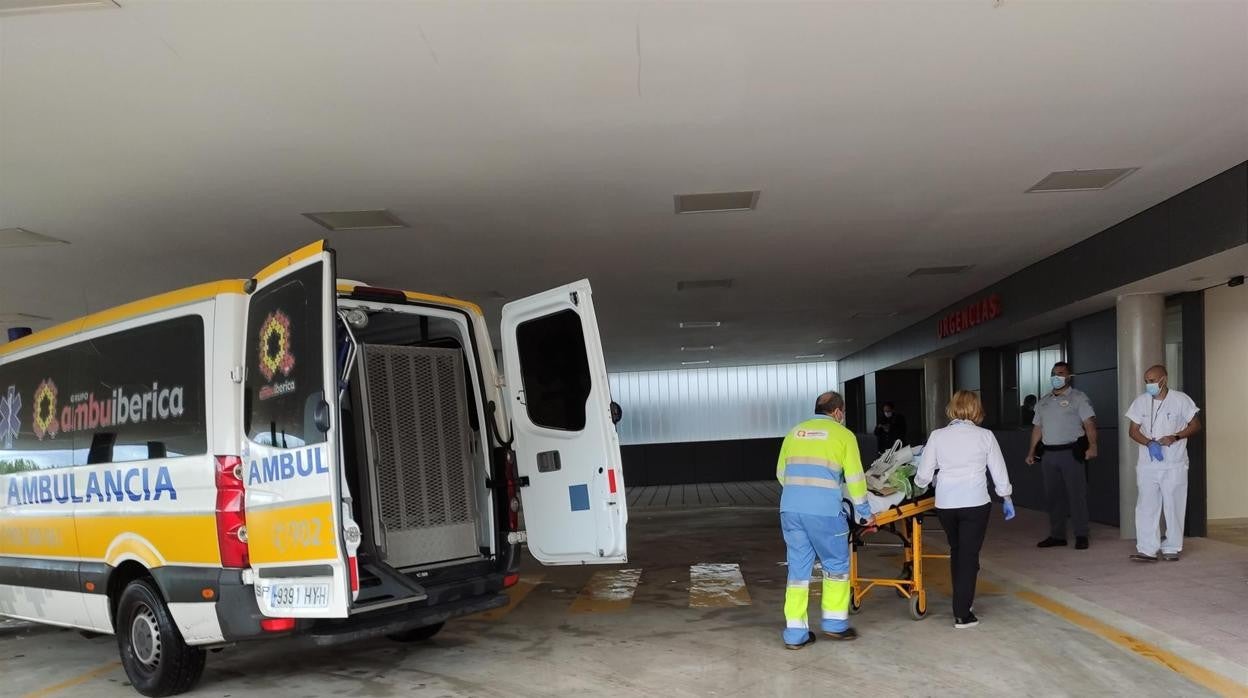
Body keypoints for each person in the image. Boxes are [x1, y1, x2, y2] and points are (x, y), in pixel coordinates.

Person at [776, 391, 875, 650]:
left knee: (797, 571)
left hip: (791, 510)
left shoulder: (794, 432)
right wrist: (865, 513)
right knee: (836, 565)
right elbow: (855, 479)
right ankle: (834, 623)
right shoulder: (844, 436)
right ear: (838, 412)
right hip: (824, 513)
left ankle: (795, 633)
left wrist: (801, 494)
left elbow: (780, 473)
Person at [915, 391, 1014, 628]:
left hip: (946, 505)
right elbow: (998, 471)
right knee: (969, 556)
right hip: (975, 502)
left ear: (952, 408)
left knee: (958, 550)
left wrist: (925, 483)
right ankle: (962, 613)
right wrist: (1006, 496)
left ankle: (963, 601)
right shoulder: (985, 436)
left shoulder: (937, 436)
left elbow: (923, 475)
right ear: (976, 410)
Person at [1126, 365, 1201, 562]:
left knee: (1174, 504)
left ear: (1164, 379)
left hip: (1174, 463)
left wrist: (1175, 436)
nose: (1149, 384)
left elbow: (1195, 425)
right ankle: (1147, 549)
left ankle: (1172, 547)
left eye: (1152, 380)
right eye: (1146, 381)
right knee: (1146, 505)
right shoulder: (1141, 402)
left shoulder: (1180, 400)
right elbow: (1133, 430)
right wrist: (1149, 443)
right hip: (1148, 464)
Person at [1026, 362, 1098, 550]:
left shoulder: (1078, 398)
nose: (1056, 377)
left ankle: (1081, 534)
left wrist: (1093, 446)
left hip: (1071, 453)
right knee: (1053, 496)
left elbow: (1089, 424)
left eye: (1060, 373)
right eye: (1053, 374)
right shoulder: (1044, 401)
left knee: (1077, 495)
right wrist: (1031, 451)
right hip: (1049, 455)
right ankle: (1057, 535)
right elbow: (1037, 428)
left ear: (1069, 376)